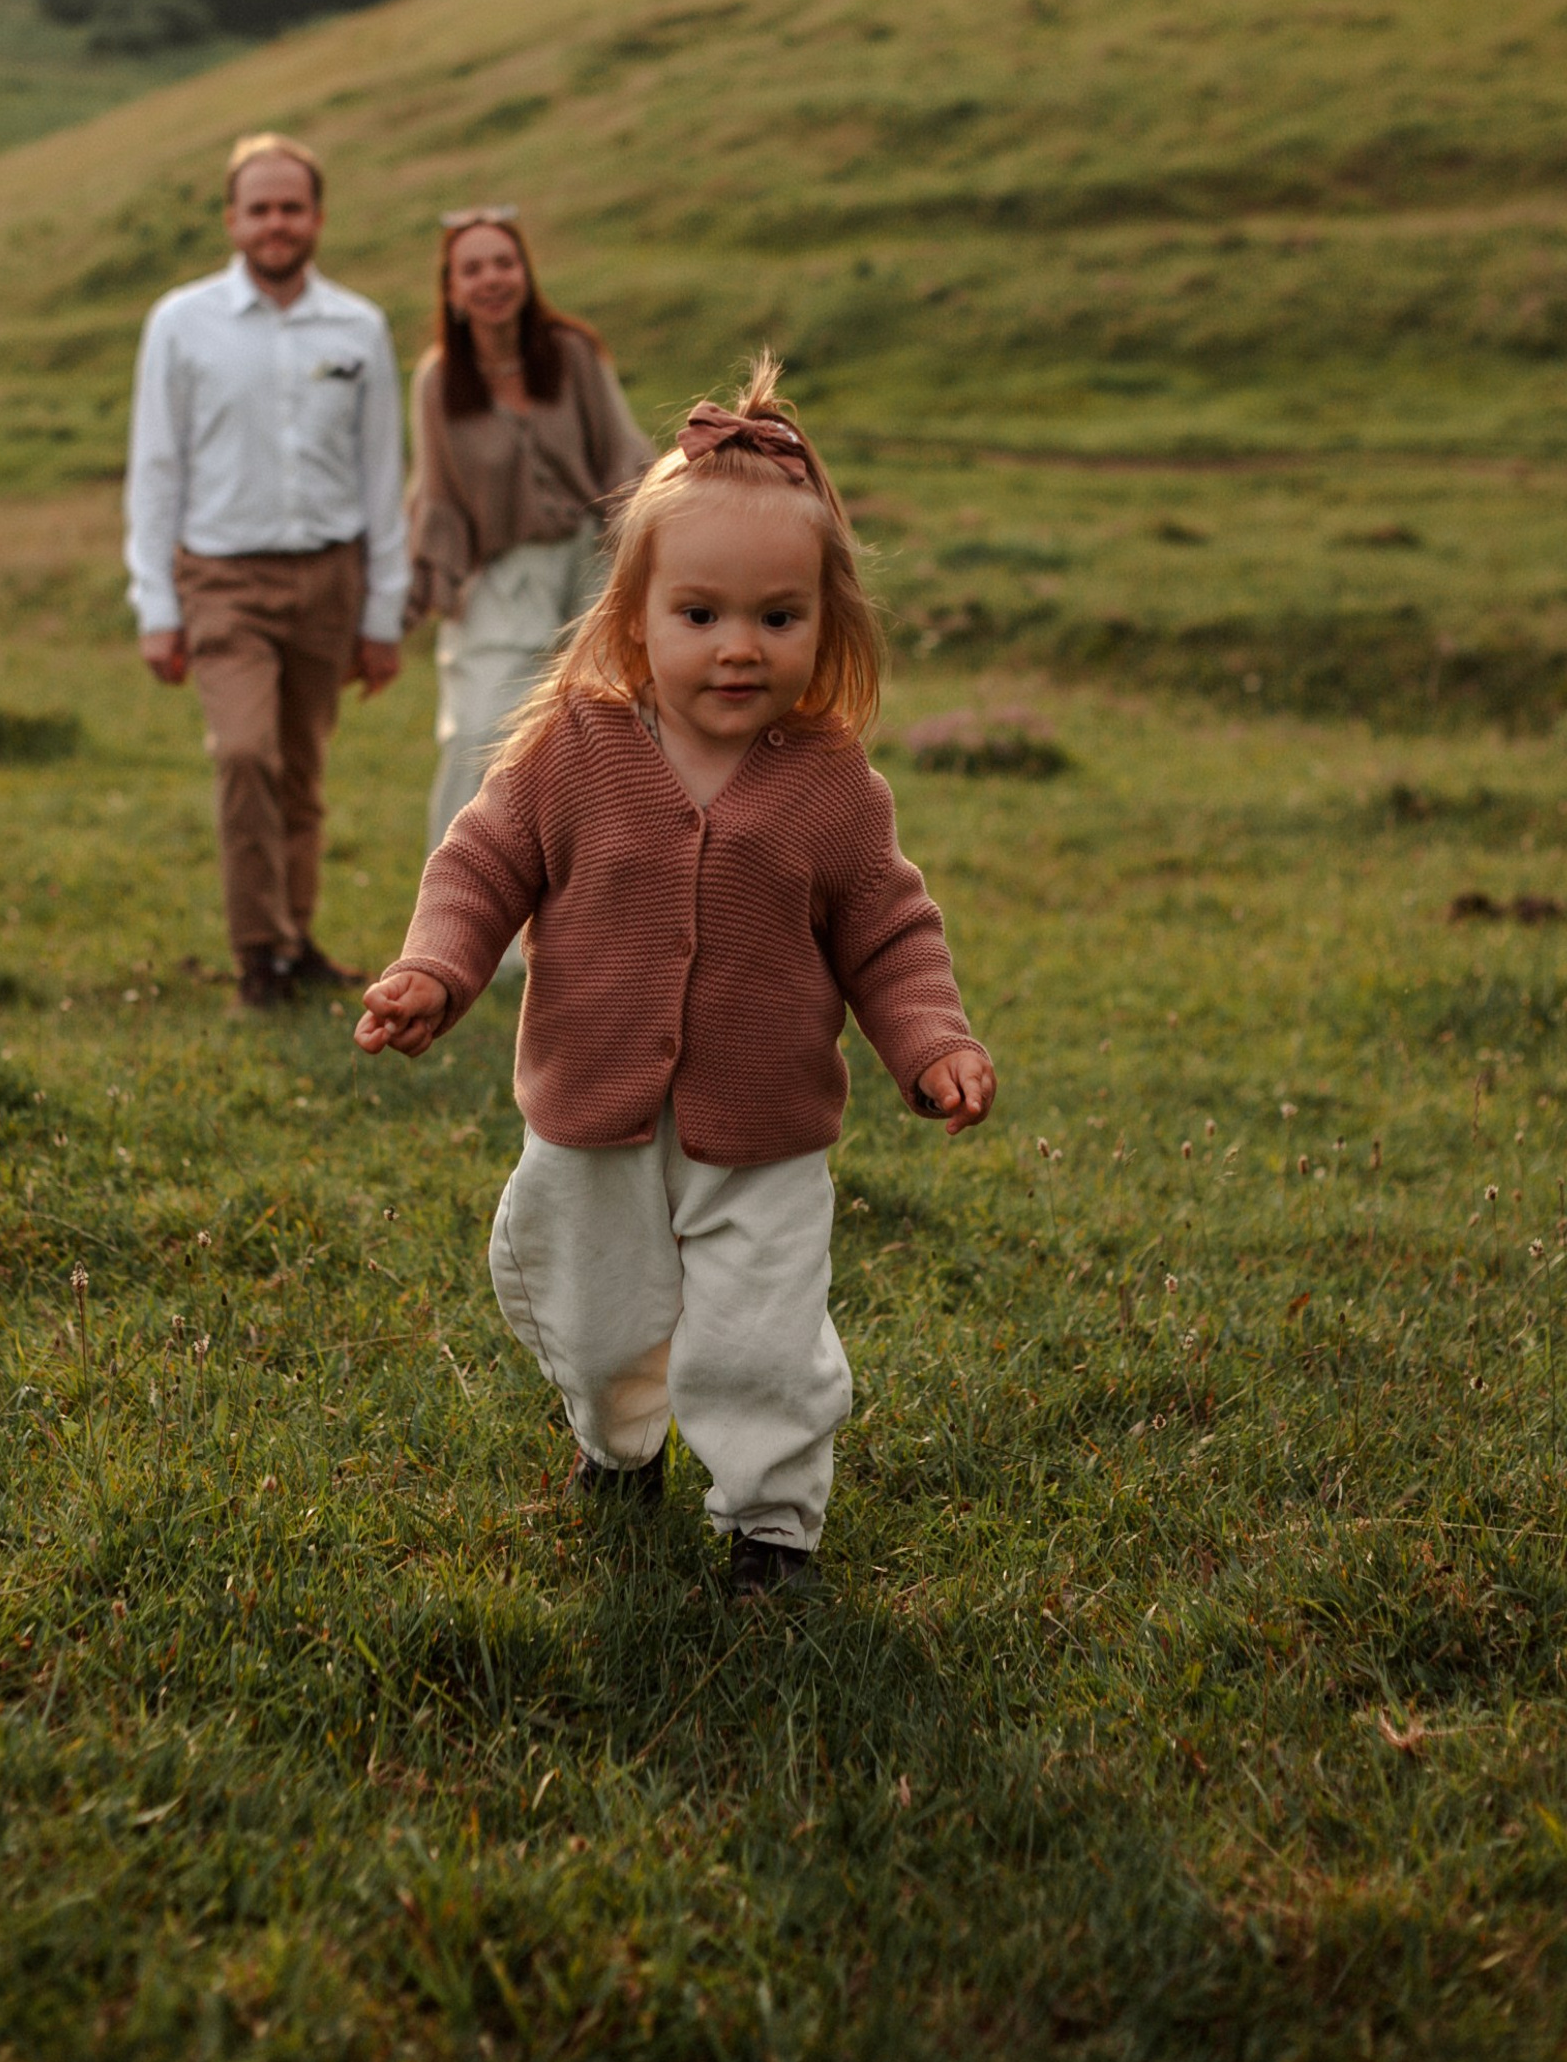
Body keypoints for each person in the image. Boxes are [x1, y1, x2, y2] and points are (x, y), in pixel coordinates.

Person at [357, 359, 995, 1597]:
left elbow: (888, 927)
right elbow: (483, 862)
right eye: (700, 616)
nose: (739, 649)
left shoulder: (830, 786)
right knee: (595, 1317)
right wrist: (437, 968)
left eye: (778, 617)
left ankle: (771, 1529)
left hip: (759, 1132)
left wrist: (932, 1040)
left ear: (828, 623)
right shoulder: (576, 750)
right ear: (635, 620)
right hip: (592, 1110)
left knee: (758, 1334)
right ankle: (617, 1442)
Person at [125, 133, 407, 1009]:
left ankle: (297, 938)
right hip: (222, 580)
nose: (276, 224)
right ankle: (258, 957)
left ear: (317, 217)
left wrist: (383, 614)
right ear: (232, 220)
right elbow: (156, 466)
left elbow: (381, 473)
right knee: (246, 755)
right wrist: (155, 606)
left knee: (301, 769)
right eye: (259, 209)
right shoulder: (182, 323)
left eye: (292, 207)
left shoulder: (358, 327)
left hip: (331, 578)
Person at [408, 206, 651, 858]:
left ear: (525, 273)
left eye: (504, 263)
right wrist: (424, 590)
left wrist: (649, 552)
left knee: (603, 738)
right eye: (473, 269)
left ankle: (587, 921)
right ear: (453, 291)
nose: (492, 279)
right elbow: (436, 495)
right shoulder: (438, 382)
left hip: (592, 566)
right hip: (501, 575)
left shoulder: (571, 353)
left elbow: (624, 454)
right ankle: (457, 924)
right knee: (480, 735)